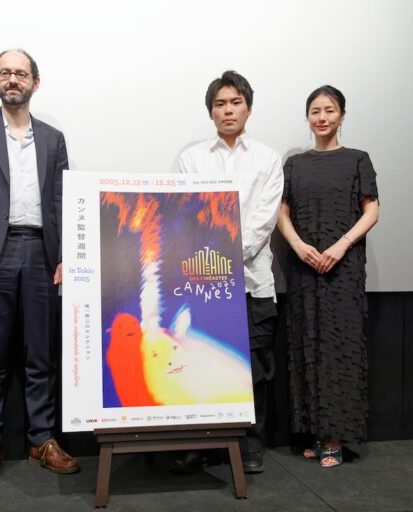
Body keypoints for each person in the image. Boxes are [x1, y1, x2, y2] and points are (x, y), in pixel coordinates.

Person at [0, 49, 79, 485]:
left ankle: (42, 439)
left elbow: (63, 200)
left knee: (41, 355)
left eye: (21, 73)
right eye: (5, 72)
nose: (12, 79)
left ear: (34, 83)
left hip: (41, 252)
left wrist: (67, 256)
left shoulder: (53, 138)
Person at [173, 70, 283, 474]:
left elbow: (263, 220)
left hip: (253, 283)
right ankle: (199, 446)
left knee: (253, 369)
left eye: (236, 102)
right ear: (211, 112)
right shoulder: (192, 159)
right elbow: (186, 213)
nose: (228, 110)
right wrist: (212, 262)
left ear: (248, 108)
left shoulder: (268, 159)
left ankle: (250, 448)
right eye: (220, 104)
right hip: (201, 284)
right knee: (200, 363)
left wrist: (226, 258)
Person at [277, 85, 379, 468]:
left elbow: (372, 211)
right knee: (307, 344)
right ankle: (315, 433)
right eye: (315, 111)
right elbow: (282, 212)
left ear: (342, 115)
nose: (322, 117)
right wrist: (298, 245)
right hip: (304, 266)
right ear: (308, 117)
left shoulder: (358, 160)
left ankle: (335, 438)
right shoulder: (294, 164)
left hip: (343, 267)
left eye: (330, 110)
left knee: (339, 347)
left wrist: (342, 245)